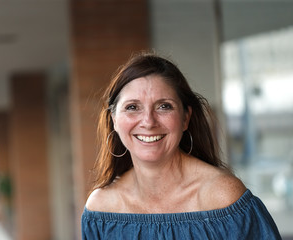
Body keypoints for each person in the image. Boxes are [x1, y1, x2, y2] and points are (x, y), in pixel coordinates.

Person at [81, 52, 281, 239]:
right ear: (114, 120)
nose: (148, 122)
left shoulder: (222, 198)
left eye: (164, 106)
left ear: (185, 118)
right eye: (132, 107)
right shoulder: (102, 210)